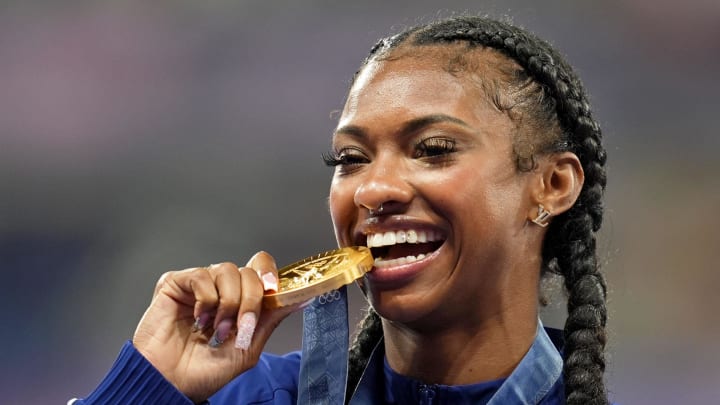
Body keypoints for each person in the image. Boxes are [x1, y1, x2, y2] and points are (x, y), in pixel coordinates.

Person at [72, 15, 611, 405]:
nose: (373, 189)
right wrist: (147, 386)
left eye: (433, 150)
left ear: (553, 185)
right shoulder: (247, 397)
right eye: (350, 158)